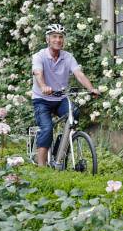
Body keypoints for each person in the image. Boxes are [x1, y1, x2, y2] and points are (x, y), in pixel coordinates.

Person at [31, 24, 99, 166]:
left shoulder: (68, 57)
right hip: (42, 99)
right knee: (47, 128)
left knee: (73, 113)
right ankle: (41, 165)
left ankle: (59, 150)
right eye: (54, 37)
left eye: (60, 37)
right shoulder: (39, 56)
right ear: (48, 39)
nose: (58, 40)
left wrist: (91, 88)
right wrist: (43, 86)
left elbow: (79, 74)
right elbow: (38, 73)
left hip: (60, 98)